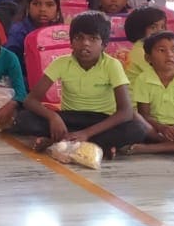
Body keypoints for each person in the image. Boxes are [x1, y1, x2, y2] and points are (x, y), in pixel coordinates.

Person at [15, 12, 146, 154]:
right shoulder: (61, 63)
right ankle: (95, 145)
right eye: (79, 38)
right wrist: (53, 117)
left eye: (93, 38)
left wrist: (86, 133)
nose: (85, 43)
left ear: (104, 44)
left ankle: (60, 142)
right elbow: (30, 101)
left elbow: (125, 111)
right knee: (24, 119)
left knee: (137, 129)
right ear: (71, 42)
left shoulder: (112, 65)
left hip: (101, 121)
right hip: (70, 118)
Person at [121, 6, 169, 82]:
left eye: (162, 27)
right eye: (153, 27)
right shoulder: (140, 52)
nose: (160, 31)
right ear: (139, 30)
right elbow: (164, 75)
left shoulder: (151, 49)